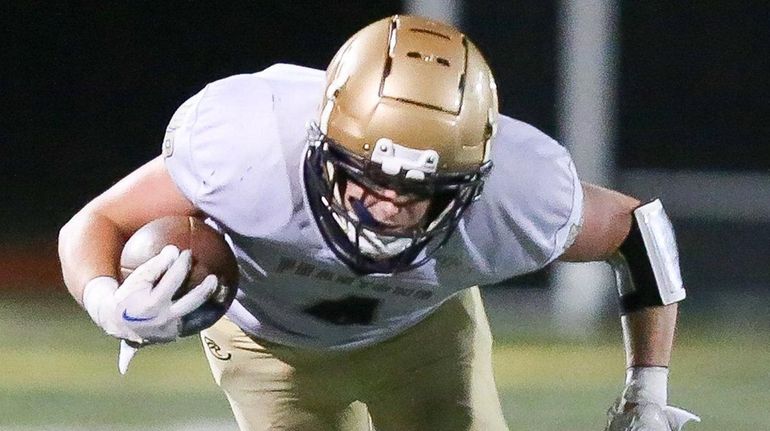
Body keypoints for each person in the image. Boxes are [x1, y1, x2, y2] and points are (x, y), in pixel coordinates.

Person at [58, 15, 699, 431]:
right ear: (319, 143)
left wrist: (648, 387)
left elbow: (638, 231)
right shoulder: (248, 148)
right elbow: (96, 222)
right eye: (369, 177)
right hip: (267, 345)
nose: (388, 204)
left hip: (423, 339)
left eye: (421, 188)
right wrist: (108, 301)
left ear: (472, 176)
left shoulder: (519, 194)